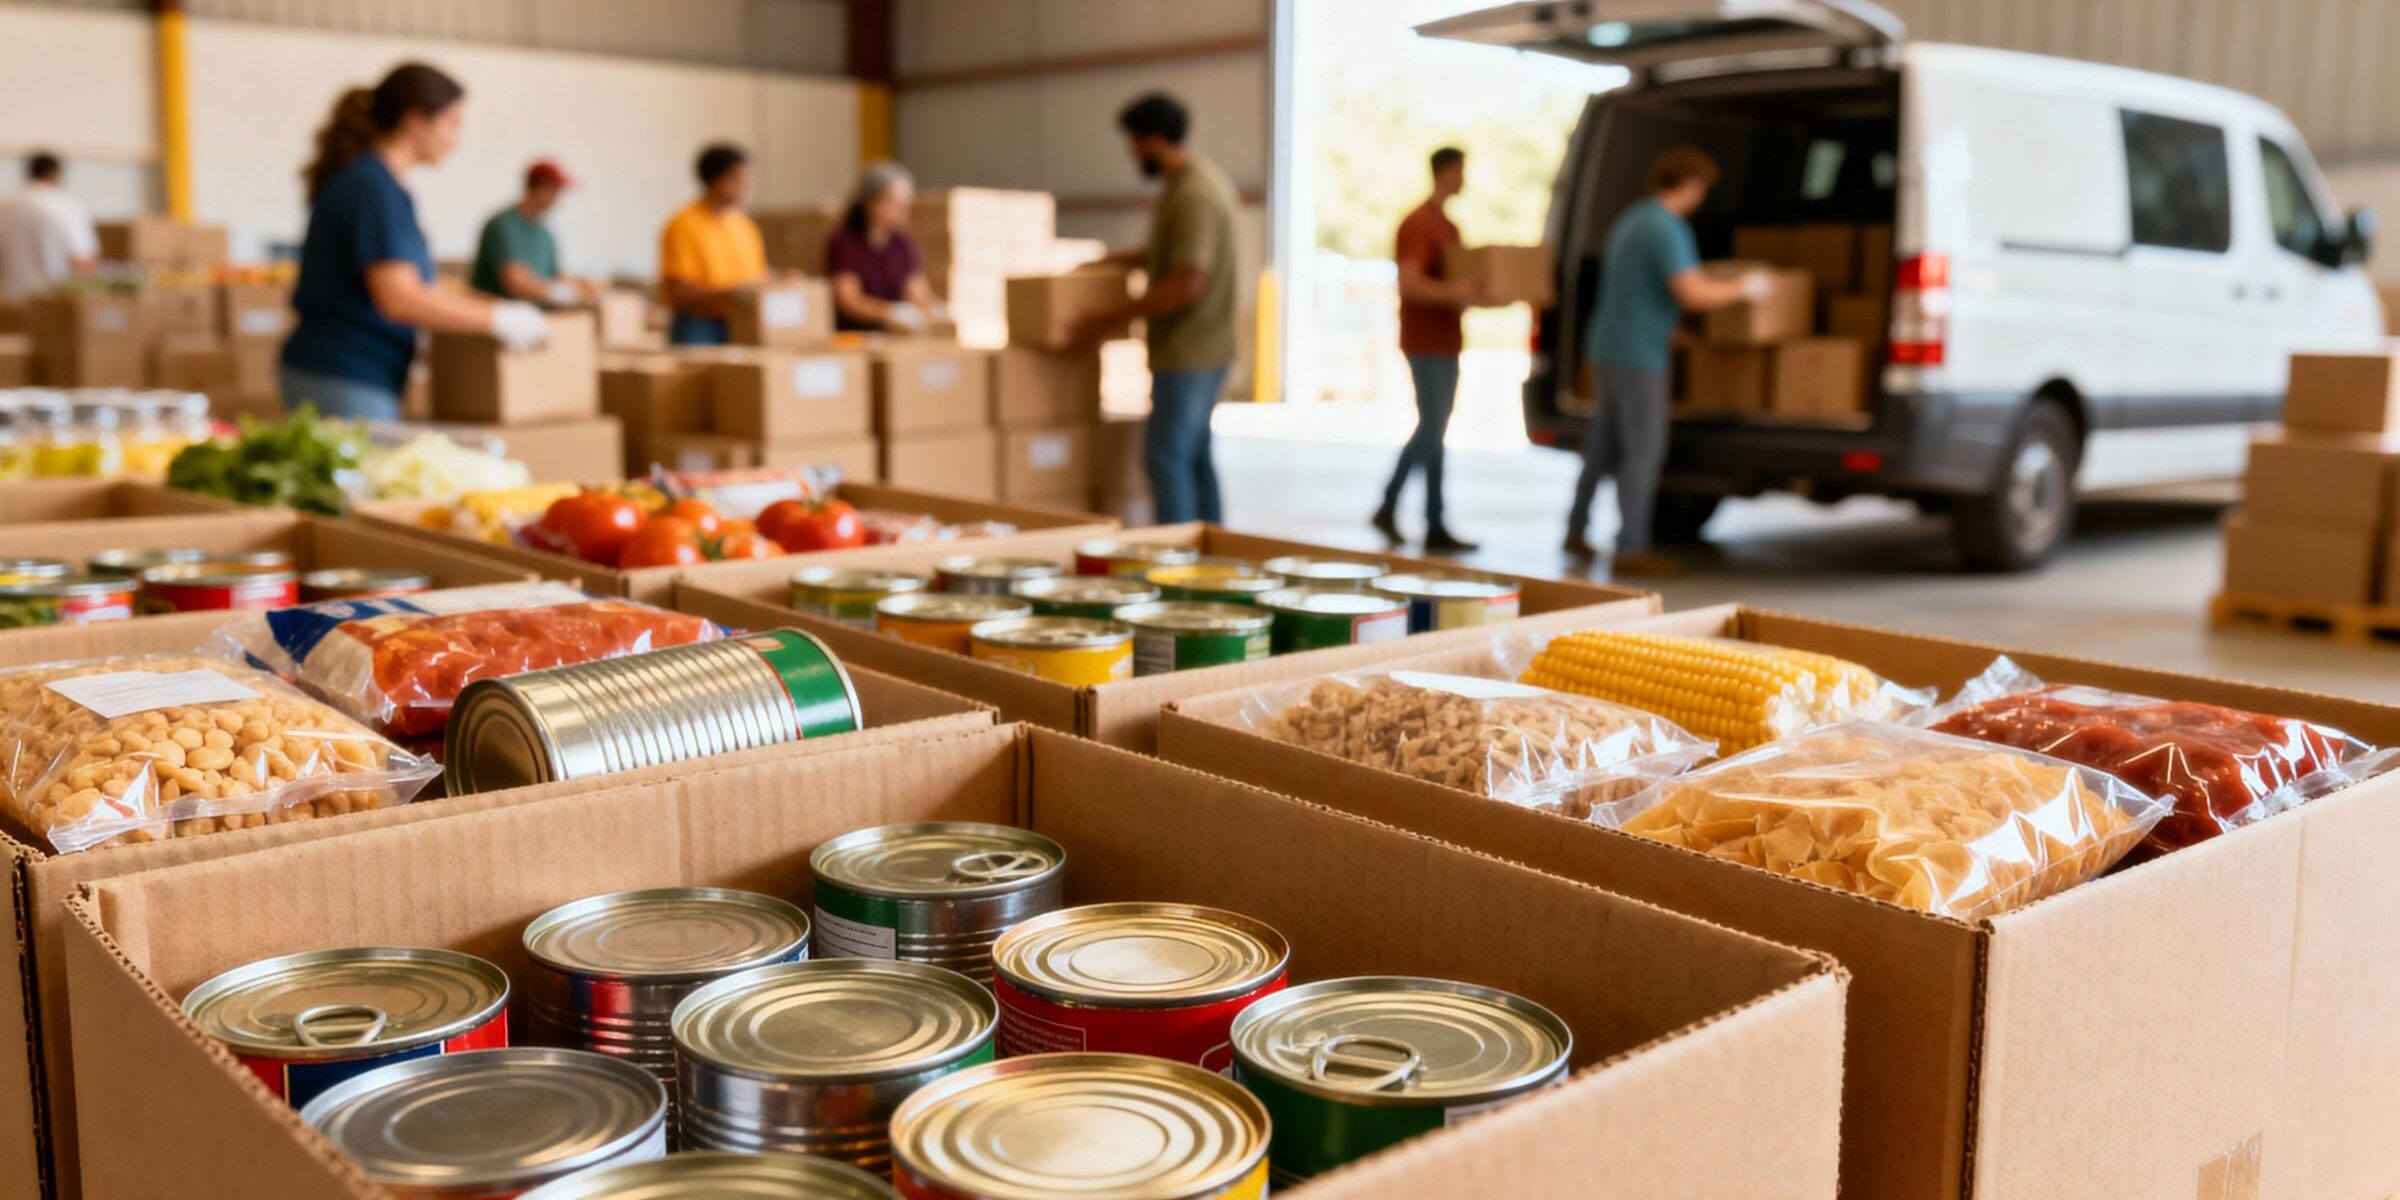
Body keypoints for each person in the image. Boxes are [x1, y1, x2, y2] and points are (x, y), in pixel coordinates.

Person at [281, 63, 547, 421]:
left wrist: (494, 308)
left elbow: (425, 288)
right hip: (345, 374)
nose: (456, 140)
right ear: (414, 119)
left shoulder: (378, 184)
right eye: (452, 123)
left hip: (347, 372)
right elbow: (399, 297)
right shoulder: (373, 188)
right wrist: (497, 319)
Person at [1564, 145, 1759, 575]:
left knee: (1603, 444)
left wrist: (1681, 336)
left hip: (1609, 346)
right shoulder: (1668, 229)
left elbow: (1637, 294)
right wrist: (1746, 289)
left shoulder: (1631, 219)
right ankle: (1631, 546)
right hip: (1638, 354)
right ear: (1692, 185)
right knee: (1643, 449)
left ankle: (1575, 529)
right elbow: (1693, 293)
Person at [1077, 92, 1241, 525]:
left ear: (1152, 138)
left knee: (1166, 459)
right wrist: (1112, 261)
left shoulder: (1194, 195)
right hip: (1199, 350)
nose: (1131, 153)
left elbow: (1187, 282)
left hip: (1191, 352)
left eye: (1133, 142)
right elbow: (1168, 252)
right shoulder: (1186, 185)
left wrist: (1106, 318)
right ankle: (1211, 553)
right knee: (1195, 457)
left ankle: (1179, 563)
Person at [1374, 146, 1485, 553]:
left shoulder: (1449, 227)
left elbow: (1457, 285)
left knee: (1433, 428)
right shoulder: (1419, 224)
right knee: (1432, 428)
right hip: (1425, 342)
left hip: (1447, 340)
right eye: (1461, 171)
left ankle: (1402, 509)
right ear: (1447, 171)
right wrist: (1455, 291)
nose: (1465, 179)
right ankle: (1424, 516)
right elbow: (1410, 282)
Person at [658, 143, 767, 346]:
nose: (744, 187)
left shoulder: (746, 227)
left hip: (741, 322)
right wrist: (730, 294)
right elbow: (678, 291)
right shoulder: (683, 224)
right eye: (736, 179)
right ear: (714, 180)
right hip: (698, 327)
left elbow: (758, 278)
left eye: (746, 179)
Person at [827, 161, 945, 334]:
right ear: (872, 202)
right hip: (857, 337)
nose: (903, 210)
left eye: (906, 204)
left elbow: (916, 291)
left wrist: (935, 310)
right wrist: (890, 312)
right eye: (895, 203)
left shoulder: (904, 245)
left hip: (894, 336)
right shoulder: (845, 243)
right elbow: (848, 300)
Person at [470, 159, 598, 305]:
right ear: (542, 188)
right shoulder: (502, 225)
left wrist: (582, 285)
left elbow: (555, 275)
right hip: (497, 314)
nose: (559, 199)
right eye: (556, 190)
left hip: (537, 315)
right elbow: (516, 283)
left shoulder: (545, 233)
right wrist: (565, 293)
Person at [0, 152, 98, 305]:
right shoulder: (65, 207)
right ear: (55, 174)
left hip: (8, 303)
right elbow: (82, 260)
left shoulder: (5, 207)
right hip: (50, 303)